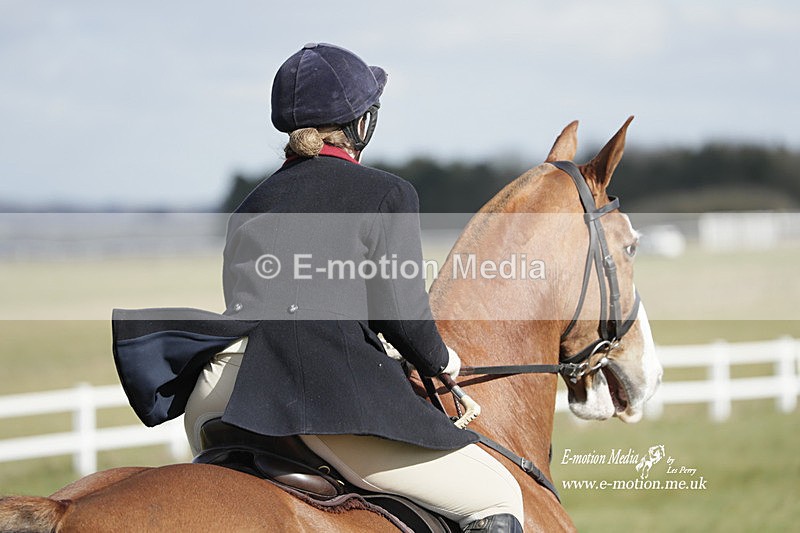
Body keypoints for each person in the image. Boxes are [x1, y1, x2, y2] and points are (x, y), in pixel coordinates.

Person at [181, 43, 524, 532]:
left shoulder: (253, 203)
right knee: (495, 495)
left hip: (220, 396)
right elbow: (401, 312)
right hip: (308, 396)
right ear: (363, 124)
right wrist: (442, 360)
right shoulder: (386, 192)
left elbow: (252, 303)